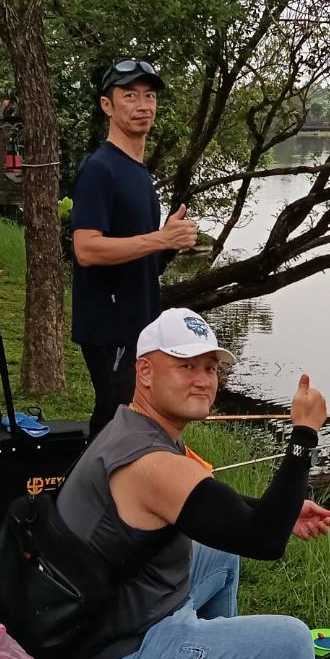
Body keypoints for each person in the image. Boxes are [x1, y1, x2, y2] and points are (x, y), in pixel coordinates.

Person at [47, 308, 330, 659]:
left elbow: (211, 511)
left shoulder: (133, 428)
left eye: (210, 367)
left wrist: (280, 511)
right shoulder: (148, 461)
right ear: (145, 371)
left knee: (219, 549)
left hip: (103, 625)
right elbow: (263, 539)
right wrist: (303, 436)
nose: (203, 380)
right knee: (294, 646)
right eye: (185, 366)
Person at [71, 58, 199, 439]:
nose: (143, 105)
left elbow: (138, 257)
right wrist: (161, 239)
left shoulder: (138, 172)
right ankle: (89, 480)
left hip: (139, 324)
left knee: (129, 422)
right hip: (110, 327)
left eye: (149, 96)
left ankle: (105, 478)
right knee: (115, 423)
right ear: (107, 105)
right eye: (130, 96)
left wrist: (169, 241)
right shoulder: (100, 169)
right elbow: (86, 248)